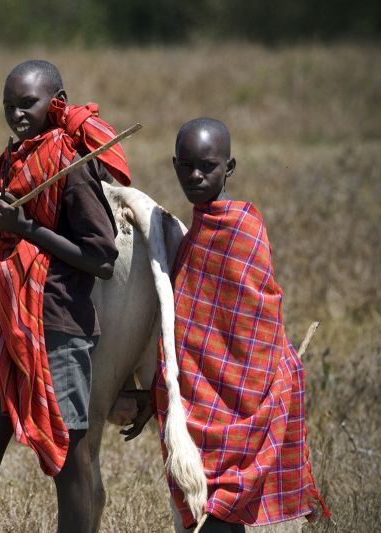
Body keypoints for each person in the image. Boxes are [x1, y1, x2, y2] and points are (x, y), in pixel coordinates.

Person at [0, 59, 131, 533]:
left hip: (58, 327)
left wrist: (27, 230)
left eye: (27, 103)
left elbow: (101, 258)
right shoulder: (11, 163)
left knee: (69, 456)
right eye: (8, 105)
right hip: (10, 324)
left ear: (56, 102)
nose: (16, 114)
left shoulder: (70, 166)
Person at [149, 117, 330, 532]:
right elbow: (191, 327)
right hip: (200, 401)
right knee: (208, 511)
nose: (195, 175)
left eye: (207, 166)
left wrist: (245, 391)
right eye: (186, 165)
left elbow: (258, 321)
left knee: (219, 515)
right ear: (174, 164)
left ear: (229, 167)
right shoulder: (194, 231)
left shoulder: (243, 228)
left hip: (247, 397)